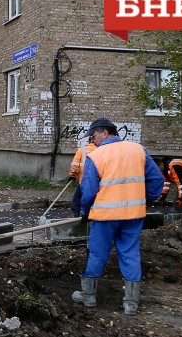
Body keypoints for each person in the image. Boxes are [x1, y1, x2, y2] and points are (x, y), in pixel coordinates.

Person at [73, 118, 163, 316]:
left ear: (105, 132)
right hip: (133, 215)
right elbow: (157, 180)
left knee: (97, 253)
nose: (93, 141)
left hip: (106, 216)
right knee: (130, 253)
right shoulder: (139, 150)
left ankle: (88, 296)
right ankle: (131, 303)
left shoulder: (97, 156)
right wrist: (143, 198)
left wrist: (85, 211)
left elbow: (88, 191)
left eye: (94, 136)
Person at [68, 136, 97, 217]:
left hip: (83, 182)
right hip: (97, 183)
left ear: (88, 141)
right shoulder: (100, 150)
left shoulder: (82, 150)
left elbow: (75, 166)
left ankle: (76, 218)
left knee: (76, 202)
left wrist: (72, 175)